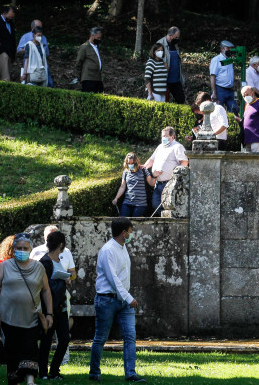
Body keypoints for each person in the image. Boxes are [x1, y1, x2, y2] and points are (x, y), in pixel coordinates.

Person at [0, 233, 53, 385]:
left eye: (25, 248)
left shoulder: (39, 267)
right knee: (12, 352)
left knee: (30, 348)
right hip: (8, 317)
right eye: (19, 248)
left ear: (30, 249)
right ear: (13, 249)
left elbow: (46, 291)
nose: (22, 250)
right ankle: (15, 381)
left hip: (31, 317)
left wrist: (49, 313)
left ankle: (30, 381)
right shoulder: (5, 266)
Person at [89, 218, 145, 383]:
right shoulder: (108, 250)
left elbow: (123, 276)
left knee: (130, 336)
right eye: (130, 231)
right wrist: (129, 297)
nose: (131, 234)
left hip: (123, 300)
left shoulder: (122, 247)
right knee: (101, 337)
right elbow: (113, 278)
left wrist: (126, 296)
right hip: (107, 299)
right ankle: (94, 372)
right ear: (124, 233)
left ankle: (130, 373)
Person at [37, 231, 71, 380]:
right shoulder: (45, 262)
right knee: (46, 341)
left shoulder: (58, 260)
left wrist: (65, 280)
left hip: (61, 307)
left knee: (64, 339)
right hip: (49, 308)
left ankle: (54, 370)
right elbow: (44, 286)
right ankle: (43, 372)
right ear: (61, 244)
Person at [143, 127, 189, 215]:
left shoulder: (177, 147)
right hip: (158, 182)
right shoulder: (160, 147)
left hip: (169, 183)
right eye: (162, 136)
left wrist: (177, 177)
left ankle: (168, 226)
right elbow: (151, 160)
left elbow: (184, 162)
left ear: (172, 136)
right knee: (155, 205)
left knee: (168, 207)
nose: (163, 138)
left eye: (165, 136)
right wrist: (144, 167)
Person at [112, 152, 154, 217]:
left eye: (132, 163)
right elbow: (122, 187)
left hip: (140, 203)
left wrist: (155, 176)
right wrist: (116, 198)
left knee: (135, 222)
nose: (130, 165)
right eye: (129, 163)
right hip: (127, 201)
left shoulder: (143, 170)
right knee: (122, 220)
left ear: (136, 162)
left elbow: (151, 183)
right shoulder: (126, 172)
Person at [18, 20, 53, 87]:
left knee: (49, 86)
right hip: (31, 70)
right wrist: (24, 74)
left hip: (42, 69)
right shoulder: (27, 41)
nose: (40, 37)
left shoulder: (43, 40)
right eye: (38, 27)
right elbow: (25, 59)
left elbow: (46, 54)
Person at [155, 26, 185, 103]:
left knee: (181, 99)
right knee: (164, 102)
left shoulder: (175, 45)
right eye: (176, 37)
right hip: (164, 80)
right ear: (170, 35)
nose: (178, 39)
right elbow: (154, 62)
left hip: (176, 80)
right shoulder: (160, 44)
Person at [209, 40, 238, 113]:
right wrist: (214, 93)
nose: (230, 50)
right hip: (220, 90)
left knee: (234, 110)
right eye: (228, 48)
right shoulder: (216, 60)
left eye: (231, 48)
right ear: (222, 49)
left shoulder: (229, 60)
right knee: (218, 112)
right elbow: (212, 76)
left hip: (230, 90)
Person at [0, 5, 17, 81]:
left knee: (8, 75)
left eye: (12, 18)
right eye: (9, 17)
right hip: (0, 54)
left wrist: (13, 54)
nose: (11, 19)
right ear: (4, 14)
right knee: (6, 78)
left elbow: (12, 39)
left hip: (9, 54)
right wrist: (2, 50)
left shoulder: (11, 23)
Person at [75, 27, 104, 93]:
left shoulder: (97, 47)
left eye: (100, 38)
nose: (99, 39)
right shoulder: (84, 47)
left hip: (97, 78)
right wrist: (79, 76)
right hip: (88, 78)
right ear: (92, 36)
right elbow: (79, 62)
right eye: (98, 38)